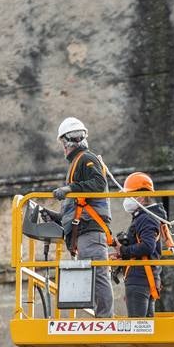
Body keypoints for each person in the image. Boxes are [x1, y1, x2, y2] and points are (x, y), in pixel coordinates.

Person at [51, 117, 114, 317]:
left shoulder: (87, 158)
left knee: (98, 275)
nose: (63, 147)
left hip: (90, 228)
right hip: (83, 229)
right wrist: (53, 216)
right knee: (92, 275)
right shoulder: (77, 164)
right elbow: (73, 208)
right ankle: (101, 315)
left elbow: (97, 184)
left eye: (63, 142)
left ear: (68, 141)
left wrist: (70, 188)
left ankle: (105, 318)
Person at [111, 171, 167, 318]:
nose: (126, 199)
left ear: (141, 197)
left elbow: (148, 246)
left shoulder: (146, 218)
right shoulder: (146, 217)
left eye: (129, 195)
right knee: (145, 332)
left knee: (138, 331)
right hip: (145, 278)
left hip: (140, 279)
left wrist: (123, 250)